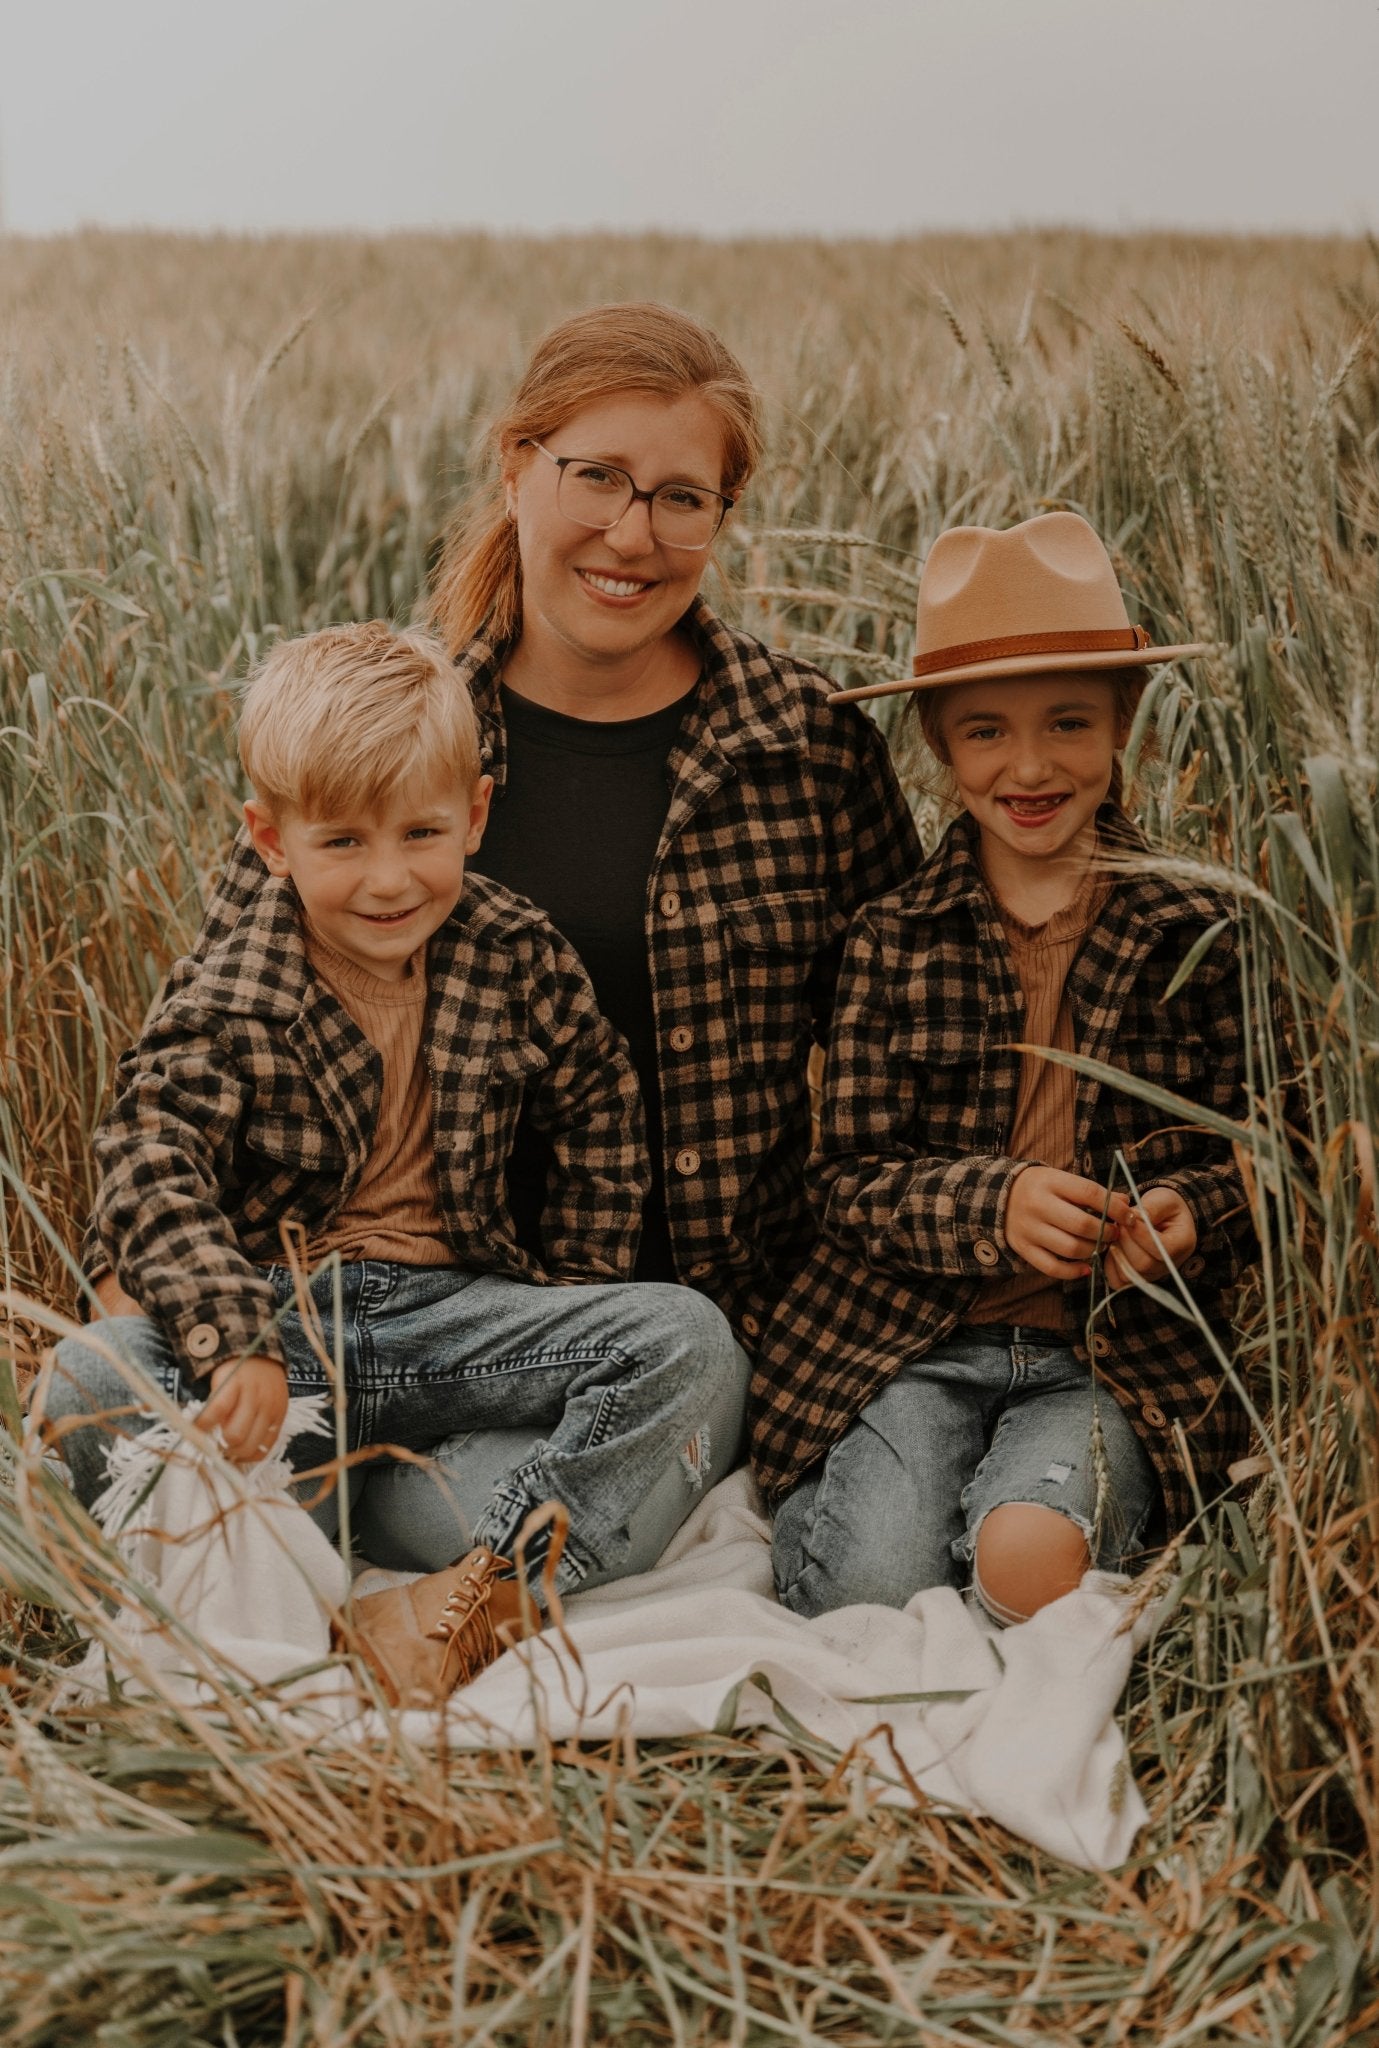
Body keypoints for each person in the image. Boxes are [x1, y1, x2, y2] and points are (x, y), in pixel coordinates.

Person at [94, 301, 922, 1571]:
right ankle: (408, 1524)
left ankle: (395, 1543)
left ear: (721, 518)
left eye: (680, 497)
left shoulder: (803, 750)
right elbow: (199, 1056)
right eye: (595, 477)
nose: (631, 533)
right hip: (357, 1311)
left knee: (680, 1365)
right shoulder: (390, 743)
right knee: (97, 1384)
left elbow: (917, 1055)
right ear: (516, 468)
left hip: (640, 1339)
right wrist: (143, 1288)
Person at [38, 622, 742, 1700]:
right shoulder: (236, 987)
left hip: (449, 1332)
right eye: (343, 843)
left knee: (691, 1343)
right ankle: (288, 1570)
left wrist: (566, 1281)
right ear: (271, 842)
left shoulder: (514, 954)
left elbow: (599, 1100)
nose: (388, 878)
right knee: (88, 1374)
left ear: (475, 814)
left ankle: (472, 1591)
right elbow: (149, 1151)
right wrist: (233, 1339)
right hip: (283, 1330)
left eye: (420, 832)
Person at [754, 511, 1263, 1624]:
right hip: (918, 1333)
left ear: (1123, 718)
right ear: (937, 741)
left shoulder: (1197, 923)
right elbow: (845, 1177)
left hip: (1112, 1351)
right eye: (984, 731)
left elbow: (1260, 1149)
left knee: (1023, 1571)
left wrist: (1190, 1210)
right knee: (863, 1593)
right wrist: (995, 1202)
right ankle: (859, 1510)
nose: (1027, 767)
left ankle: (1035, 1525)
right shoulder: (893, 935)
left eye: (1068, 722)